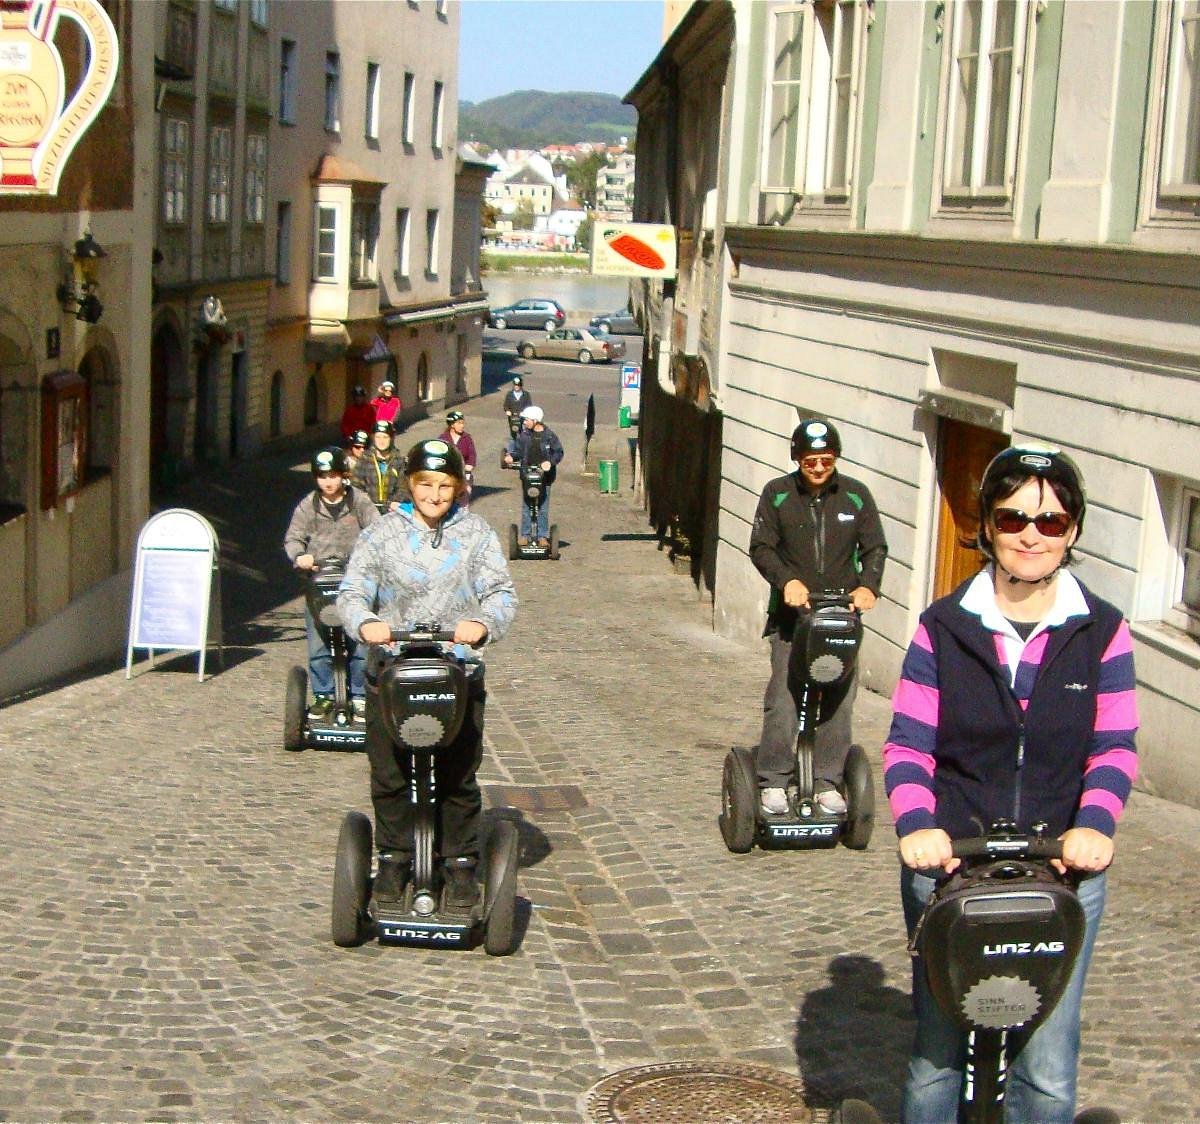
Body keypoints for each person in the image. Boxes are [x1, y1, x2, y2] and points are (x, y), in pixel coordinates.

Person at [882, 445, 1138, 1124]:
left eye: (1051, 521)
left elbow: (1114, 745)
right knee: (937, 1056)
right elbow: (909, 743)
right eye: (1014, 516)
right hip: (952, 864)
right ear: (989, 527)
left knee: (1047, 1065)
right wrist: (917, 826)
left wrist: (1094, 825)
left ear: (1072, 531)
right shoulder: (944, 626)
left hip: (1060, 866)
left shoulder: (1102, 630)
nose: (1032, 533)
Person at [337, 439, 518, 909]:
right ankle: (394, 860)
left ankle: (460, 865)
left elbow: (500, 591)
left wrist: (482, 624)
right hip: (393, 670)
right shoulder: (382, 533)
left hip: (455, 670)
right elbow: (352, 591)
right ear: (410, 484)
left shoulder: (475, 533)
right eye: (425, 485)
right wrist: (365, 622)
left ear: (458, 487)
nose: (435, 495)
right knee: (390, 775)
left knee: (458, 777)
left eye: (445, 486)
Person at [748, 418, 887, 816]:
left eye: (826, 460)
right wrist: (786, 581)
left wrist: (868, 586)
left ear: (835, 458)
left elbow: (875, 547)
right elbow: (761, 547)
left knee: (839, 699)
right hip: (793, 620)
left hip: (841, 618)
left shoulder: (856, 497)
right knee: (784, 699)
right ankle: (773, 780)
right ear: (798, 459)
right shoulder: (777, 495)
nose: (819, 468)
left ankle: (827, 780)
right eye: (811, 461)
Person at [283, 446, 379, 721]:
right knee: (319, 645)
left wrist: (368, 557)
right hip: (320, 583)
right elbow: (293, 538)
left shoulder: (358, 501)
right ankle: (323, 694)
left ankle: (360, 696)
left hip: (355, 583)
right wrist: (300, 556)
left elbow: (377, 530)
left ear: (344, 476)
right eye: (323, 476)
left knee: (360, 642)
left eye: (334, 476)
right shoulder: (308, 505)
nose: (329, 482)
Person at [503, 404, 563, 547]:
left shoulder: (549, 436)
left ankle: (542, 536)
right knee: (526, 506)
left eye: (526, 420)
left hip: (545, 477)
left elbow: (558, 452)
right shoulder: (524, 435)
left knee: (542, 506)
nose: (524, 422)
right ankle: (525, 534)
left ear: (535, 420)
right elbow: (518, 451)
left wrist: (551, 462)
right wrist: (511, 457)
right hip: (527, 474)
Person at [353, 419, 406, 513]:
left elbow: (403, 486)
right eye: (378, 437)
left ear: (391, 438)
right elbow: (356, 484)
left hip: (392, 509)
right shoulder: (365, 459)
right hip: (368, 509)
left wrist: (396, 501)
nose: (382, 441)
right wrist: (365, 502)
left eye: (385, 437)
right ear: (373, 438)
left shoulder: (399, 460)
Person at [440, 409, 477, 508]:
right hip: (448, 473)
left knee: (464, 497)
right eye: (459, 423)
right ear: (452, 425)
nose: (462, 426)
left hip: (463, 474)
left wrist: (470, 464)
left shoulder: (466, 438)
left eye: (462, 423)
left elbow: (472, 454)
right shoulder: (443, 438)